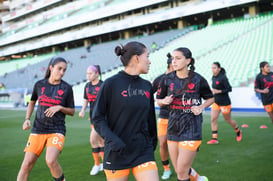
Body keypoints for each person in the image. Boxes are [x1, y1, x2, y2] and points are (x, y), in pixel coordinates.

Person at [92, 41, 159, 181]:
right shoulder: (111, 84)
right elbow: (97, 118)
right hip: (117, 152)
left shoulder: (147, 86)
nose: (149, 61)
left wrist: (153, 141)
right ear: (136, 58)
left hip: (143, 151)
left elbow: (150, 118)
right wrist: (113, 140)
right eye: (147, 56)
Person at [156, 47, 214, 181]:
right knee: (179, 170)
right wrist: (163, 101)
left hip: (192, 128)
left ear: (188, 60)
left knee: (182, 172)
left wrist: (202, 106)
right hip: (173, 128)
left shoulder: (198, 79)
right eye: (172, 58)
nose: (173, 61)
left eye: (178, 58)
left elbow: (210, 98)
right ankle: (198, 179)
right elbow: (158, 101)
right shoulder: (167, 79)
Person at [17, 57, 75, 181]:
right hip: (38, 129)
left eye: (64, 70)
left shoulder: (67, 88)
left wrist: (60, 107)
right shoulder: (39, 85)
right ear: (51, 68)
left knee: (50, 160)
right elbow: (32, 102)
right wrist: (27, 118)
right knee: (26, 164)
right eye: (59, 69)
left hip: (57, 129)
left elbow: (72, 111)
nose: (62, 72)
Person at [207, 62, 242, 144]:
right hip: (216, 102)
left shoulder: (223, 78)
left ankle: (237, 130)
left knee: (228, 120)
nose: (213, 70)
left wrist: (218, 91)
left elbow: (229, 89)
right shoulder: (213, 77)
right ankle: (214, 139)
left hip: (225, 103)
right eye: (212, 68)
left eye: (215, 68)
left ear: (219, 69)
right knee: (213, 119)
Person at [79, 65, 104, 175]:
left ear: (97, 73)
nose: (88, 76)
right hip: (93, 118)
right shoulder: (87, 86)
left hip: (102, 118)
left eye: (90, 73)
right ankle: (105, 163)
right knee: (101, 141)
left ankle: (97, 165)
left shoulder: (103, 85)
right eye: (87, 73)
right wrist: (83, 110)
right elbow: (86, 100)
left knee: (92, 140)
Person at [152, 53, 173, 180]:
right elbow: (149, 94)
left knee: (178, 145)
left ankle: (182, 168)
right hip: (164, 117)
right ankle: (167, 169)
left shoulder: (180, 79)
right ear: (171, 65)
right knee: (163, 144)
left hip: (179, 118)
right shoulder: (160, 79)